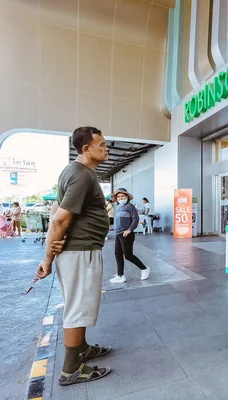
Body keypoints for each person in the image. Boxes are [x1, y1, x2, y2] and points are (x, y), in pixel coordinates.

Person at [35, 126, 112, 386]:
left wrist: (50, 253)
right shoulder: (81, 175)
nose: (106, 148)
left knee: (77, 304)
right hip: (81, 252)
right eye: (101, 144)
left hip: (79, 251)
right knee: (78, 309)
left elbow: (58, 209)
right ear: (86, 148)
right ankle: (71, 370)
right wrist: (47, 258)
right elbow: (59, 219)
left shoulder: (74, 171)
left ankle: (82, 348)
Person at [109, 188, 149, 283]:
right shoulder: (119, 208)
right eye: (118, 196)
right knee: (118, 254)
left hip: (126, 234)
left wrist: (129, 230)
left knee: (128, 255)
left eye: (122, 196)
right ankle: (120, 275)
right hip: (118, 234)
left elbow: (135, 219)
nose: (120, 198)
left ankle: (144, 268)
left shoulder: (130, 207)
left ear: (127, 197)